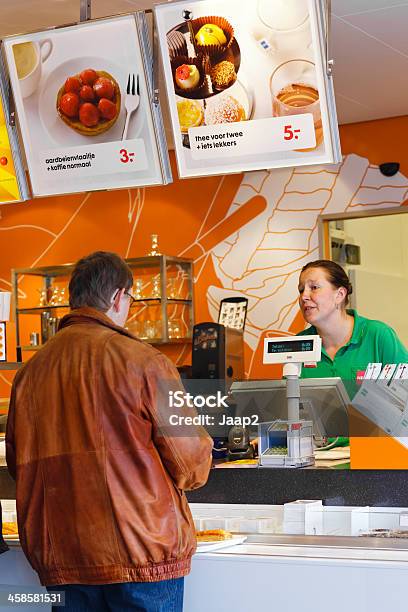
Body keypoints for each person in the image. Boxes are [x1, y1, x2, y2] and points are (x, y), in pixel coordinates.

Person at [6, 251, 213, 612]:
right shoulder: (144, 361)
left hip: (64, 556)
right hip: (141, 553)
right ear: (119, 297)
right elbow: (191, 463)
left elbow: (16, 465)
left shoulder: (27, 375)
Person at [297, 259, 408, 392]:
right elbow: (287, 404)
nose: (304, 296)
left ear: (340, 295)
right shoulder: (299, 343)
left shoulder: (378, 335)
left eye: (314, 287)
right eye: (301, 290)